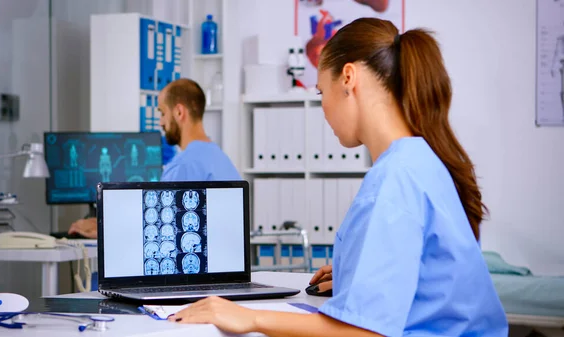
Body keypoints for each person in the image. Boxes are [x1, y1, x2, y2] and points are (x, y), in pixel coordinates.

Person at [166, 18, 509, 336]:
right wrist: (356, 273)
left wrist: (249, 317)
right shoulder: (420, 159)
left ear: (348, 78)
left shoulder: (393, 181)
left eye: (320, 92)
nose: (323, 108)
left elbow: (365, 333)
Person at [68, 78, 241, 239]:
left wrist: (103, 228)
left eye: (162, 113)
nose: (161, 122)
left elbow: (158, 228)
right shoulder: (218, 157)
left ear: (179, 112)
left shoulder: (185, 166)